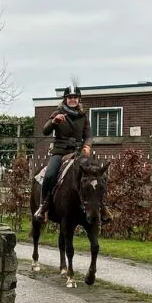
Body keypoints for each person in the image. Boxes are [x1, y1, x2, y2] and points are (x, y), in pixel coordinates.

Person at [35, 85, 92, 221]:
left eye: (75, 97)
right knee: (49, 175)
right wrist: (54, 122)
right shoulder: (58, 112)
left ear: (78, 99)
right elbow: (45, 130)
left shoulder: (83, 116)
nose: (72, 100)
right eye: (70, 97)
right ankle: (43, 206)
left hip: (77, 153)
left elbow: (88, 135)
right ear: (65, 99)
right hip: (60, 153)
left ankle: (98, 207)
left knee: (94, 176)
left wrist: (87, 146)